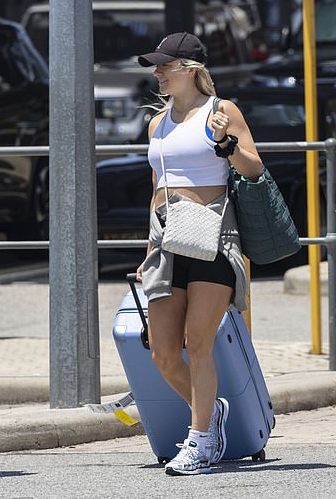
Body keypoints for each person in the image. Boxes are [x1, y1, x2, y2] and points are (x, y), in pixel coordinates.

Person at [135, 32, 263, 475]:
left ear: (190, 70)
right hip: (167, 238)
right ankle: (210, 414)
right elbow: (157, 189)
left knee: (198, 342)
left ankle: (202, 439)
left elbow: (254, 167)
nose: (156, 74)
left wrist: (227, 144)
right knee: (163, 352)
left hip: (212, 232)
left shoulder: (221, 110)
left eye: (163, 67)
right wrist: (149, 247)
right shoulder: (157, 122)